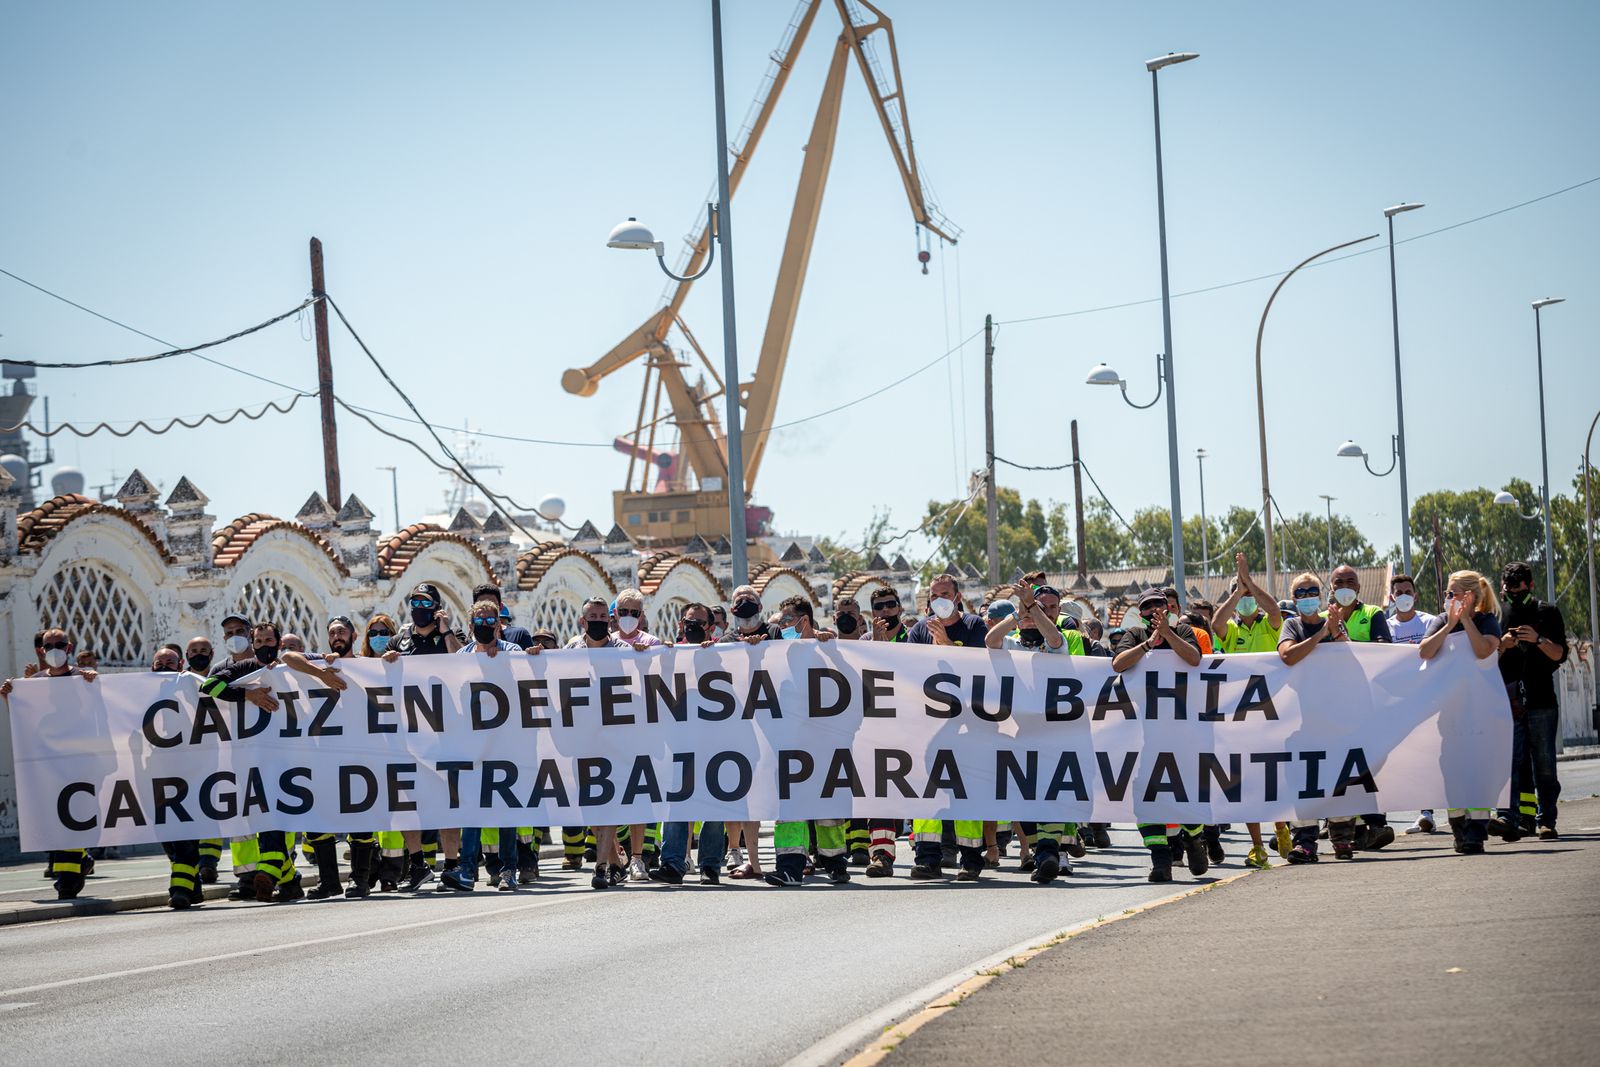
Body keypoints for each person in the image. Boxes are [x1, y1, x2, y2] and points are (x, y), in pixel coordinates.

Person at [200, 621, 307, 902]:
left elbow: (320, 666)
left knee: (273, 815)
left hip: (286, 760)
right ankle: (288, 880)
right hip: (249, 761)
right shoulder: (244, 668)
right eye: (258, 642)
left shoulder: (289, 667)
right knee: (262, 816)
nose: (263, 646)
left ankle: (270, 871)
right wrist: (248, 694)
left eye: (268, 641)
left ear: (278, 643)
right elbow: (210, 685)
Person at [985, 581, 1083, 884]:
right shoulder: (1012, 643)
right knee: (1023, 795)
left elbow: (1052, 636)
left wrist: (1034, 608)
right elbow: (990, 640)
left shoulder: (1057, 642)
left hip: (1054, 733)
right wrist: (1019, 613)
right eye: (1029, 612)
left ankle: (1048, 852)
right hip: (1020, 733)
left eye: (1041, 610)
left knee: (1051, 794)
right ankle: (1043, 853)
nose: (1032, 616)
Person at [1113, 590, 1206, 882]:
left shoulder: (1184, 631)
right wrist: (1148, 644)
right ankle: (1160, 859)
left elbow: (1194, 659)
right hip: (1146, 734)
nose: (1153, 609)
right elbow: (1118, 664)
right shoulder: (1135, 634)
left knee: (1186, 792)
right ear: (1140, 613)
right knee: (1146, 797)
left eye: (1158, 604)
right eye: (1147, 607)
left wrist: (1167, 634)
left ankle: (1194, 839)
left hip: (1183, 731)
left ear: (1169, 607)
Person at [2, 629, 99, 900]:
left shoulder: (83, 678)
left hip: (81, 762)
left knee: (74, 816)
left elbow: (103, 712)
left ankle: (67, 879)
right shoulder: (33, 683)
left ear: (69, 648)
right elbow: (24, 720)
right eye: (49, 645)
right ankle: (79, 863)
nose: (54, 649)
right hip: (48, 765)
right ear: (41, 650)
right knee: (56, 818)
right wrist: (10, 697)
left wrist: (95, 682)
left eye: (60, 644)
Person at [381, 583, 465, 890]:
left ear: (437, 607)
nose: (418, 607)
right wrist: (387, 659)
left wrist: (445, 630)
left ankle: (452, 866)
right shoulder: (400, 638)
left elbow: (462, 663)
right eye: (414, 602)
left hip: (445, 734)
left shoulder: (451, 636)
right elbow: (377, 674)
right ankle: (418, 865)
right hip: (408, 735)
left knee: (446, 802)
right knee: (406, 803)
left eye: (425, 602)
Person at [441, 599, 526, 892]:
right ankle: (466, 871)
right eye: (479, 621)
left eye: (490, 621)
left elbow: (528, 677)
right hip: (473, 744)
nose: (485, 625)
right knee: (472, 809)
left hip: (506, 743)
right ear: (470, 625)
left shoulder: (512, 651)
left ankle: (508, 870)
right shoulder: (462, 656)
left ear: (499, 625)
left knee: (506, 808)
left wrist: (503, 663)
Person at [1277, 573, 1362, 863]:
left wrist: (1335, 632)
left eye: (1312, 591)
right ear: (1294, 599)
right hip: (1302, 719)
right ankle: (1305, 843)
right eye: (1301, 593)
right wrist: (1321, 634)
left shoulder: (1334, 622)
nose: (1307, 596)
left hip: (1336, 717)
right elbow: (1288, 656)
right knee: (1304, 782)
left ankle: (1342, 839)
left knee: (1338, 779)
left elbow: (1351, 660)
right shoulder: (1292, 625)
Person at [1419, 570, 1503, 854]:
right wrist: (1450, 624)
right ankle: (1459, 830)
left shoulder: (1487, 621)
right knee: (1452, 775)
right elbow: (1425, 652)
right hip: (1450, 712)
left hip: (1480, 711)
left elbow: (1483, 650)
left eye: (1452, 593)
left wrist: (1466, 620)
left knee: (1477, 773)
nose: (1447, 598)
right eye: (1446, 593)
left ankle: (1476, 833)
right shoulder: (1441, 621)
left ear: (1470, 596)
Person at [765, 596, 847, 887]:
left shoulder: (828, 648)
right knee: (790, 810)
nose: (782, 625)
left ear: (804, 620)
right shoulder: (776, 651)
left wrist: (830, 645)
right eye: (780, 620)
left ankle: (836, 863)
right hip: (789, 744)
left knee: (828, 808)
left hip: (824, 743)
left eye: (787, 620)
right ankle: (789, 868)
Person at [652, 603, 727, 886]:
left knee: (714, 806)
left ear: (711, 626)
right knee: (676, 804)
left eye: (699, 622)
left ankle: (710, 865)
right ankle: (672, 863)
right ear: (681, 624)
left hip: (715, 742)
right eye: (688, 621)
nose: (693, 626)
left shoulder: (724, 652)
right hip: (679, 742)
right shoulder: (670, 653)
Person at [1495, 561, 1568, 841]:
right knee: (1511, 763)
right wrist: (1503, 645)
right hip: (1508, 700)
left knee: (1544, 765)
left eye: (1520, 591)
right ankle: (1511, 819)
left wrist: (1537, 639)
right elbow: (1485, 658)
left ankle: (1547, 820)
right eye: (1509, 591)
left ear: (1531, 586)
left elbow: (1560, 654)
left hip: (1541, 700)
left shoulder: (1547, 612)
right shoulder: (1498, 613)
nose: (1514, 596)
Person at [567, 596, 637, 889]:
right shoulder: (571, 649)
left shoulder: (623, 650)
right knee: (590, 807)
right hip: (581, 739)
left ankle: (600, 867)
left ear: (610, 620)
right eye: (591, 617)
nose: (597, 621)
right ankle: (617, 864)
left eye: (601, 617)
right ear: (582, 621)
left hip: (612, 738)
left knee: (606, 802)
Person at [1327, 564, 1397, 852]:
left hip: (1365, 704)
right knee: (1338, 766)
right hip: (1332, 706)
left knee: (1366, 764)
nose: (1345, 586)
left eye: (1350, 581)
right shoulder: (1322, 618)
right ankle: (1348, 828)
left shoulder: (1372, 614)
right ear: (1331, 587)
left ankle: (1376, 822)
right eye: (1339, 582)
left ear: (1358, 587)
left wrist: (1346, 642)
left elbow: (1383, 650)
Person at [719, 585, 770, 881]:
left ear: (760, 606)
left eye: (750, 600)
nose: (745, 604)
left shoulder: (774, 634)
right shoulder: (725, 642)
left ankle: (796, 856)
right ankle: (754, 861)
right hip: (739, 730)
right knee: (748, 796)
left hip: (774, 728)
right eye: (740, 600)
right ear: (732, 609)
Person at [1387, 574, 1442, 835]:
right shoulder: (1386, 627)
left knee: (1427, 756)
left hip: (1428, 700)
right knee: (1402, 760)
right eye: (1398, 592)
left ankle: (1427, 813)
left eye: (1408, 591)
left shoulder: (1430, 622)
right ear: (1391, 597)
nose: (1403, 596)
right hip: (1398, 704)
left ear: (1416, 595)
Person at [474, 582, 534, 650]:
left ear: (501, 607)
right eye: (481, 605)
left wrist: (535, 652)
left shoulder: (519, 635)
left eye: (492, 604)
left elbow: (531, 656)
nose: (486, 608)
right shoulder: (469, 643)